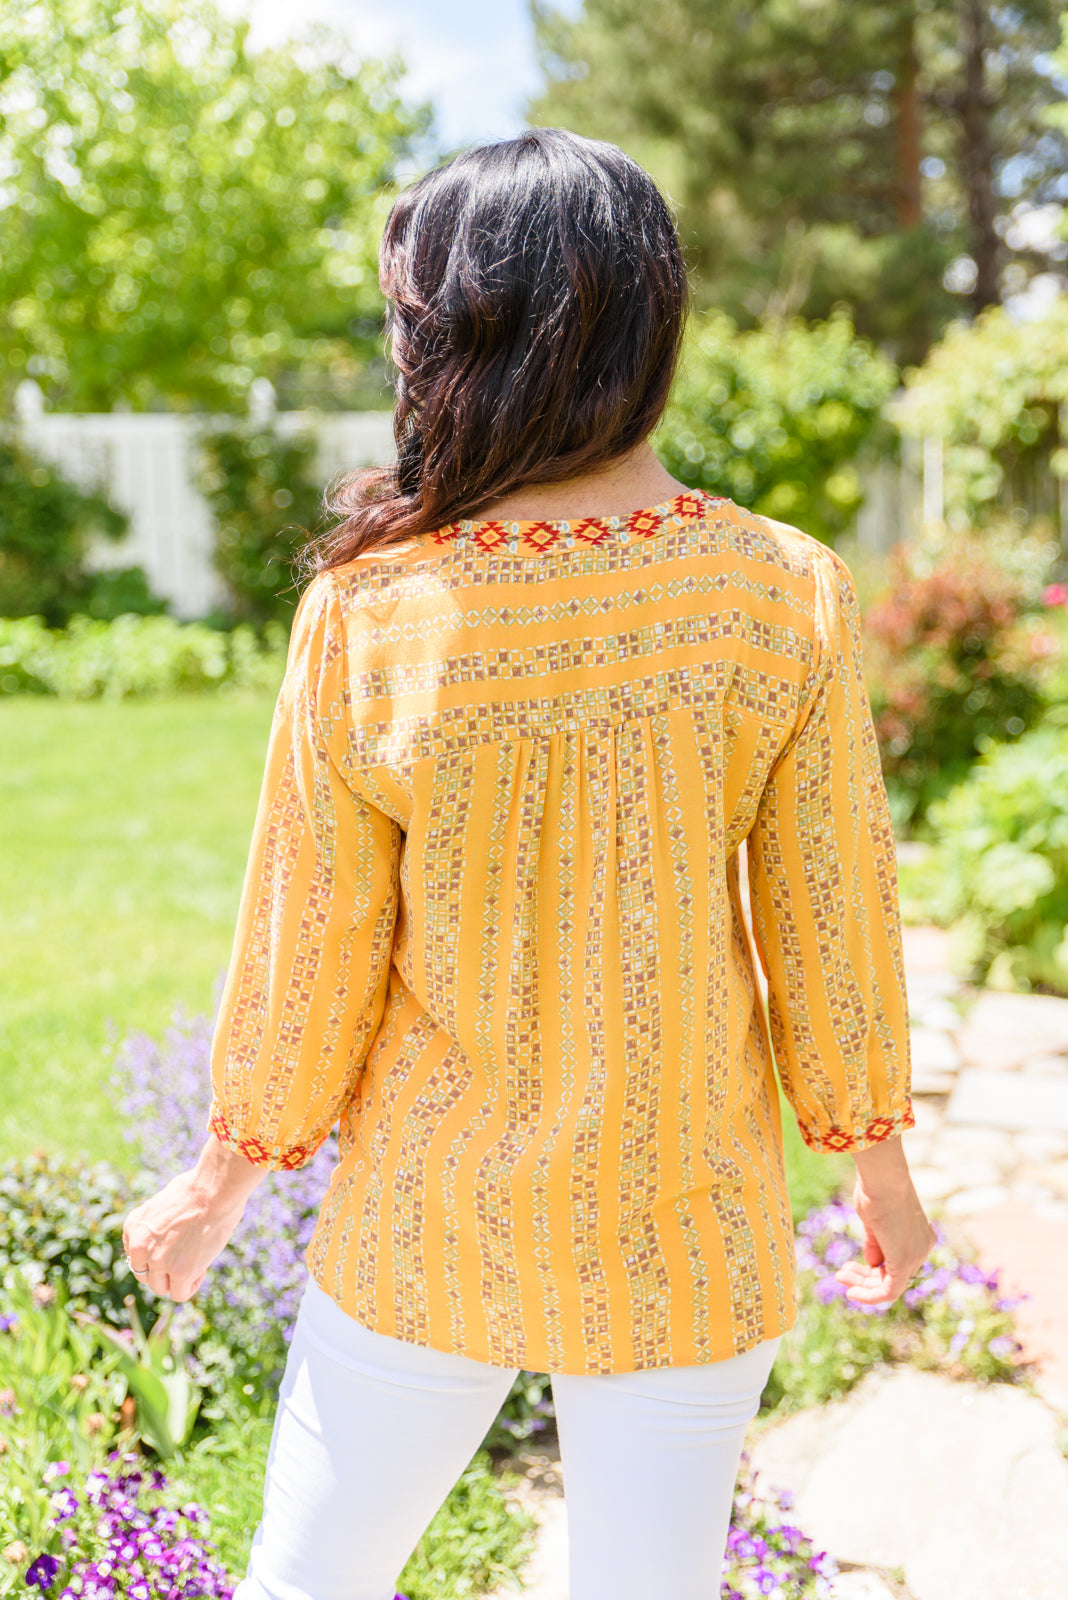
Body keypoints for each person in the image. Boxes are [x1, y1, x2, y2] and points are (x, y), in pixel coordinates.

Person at [122, 127, 937, 1600]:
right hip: (687, 1220)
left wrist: (216, 1181)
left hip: (431, 1215)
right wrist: (878, 1168)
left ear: (461, 333)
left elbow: (313, 947)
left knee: (308, 1583)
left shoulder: (375, 612)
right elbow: (833, 925)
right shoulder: (779, 592)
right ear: (648, 320)